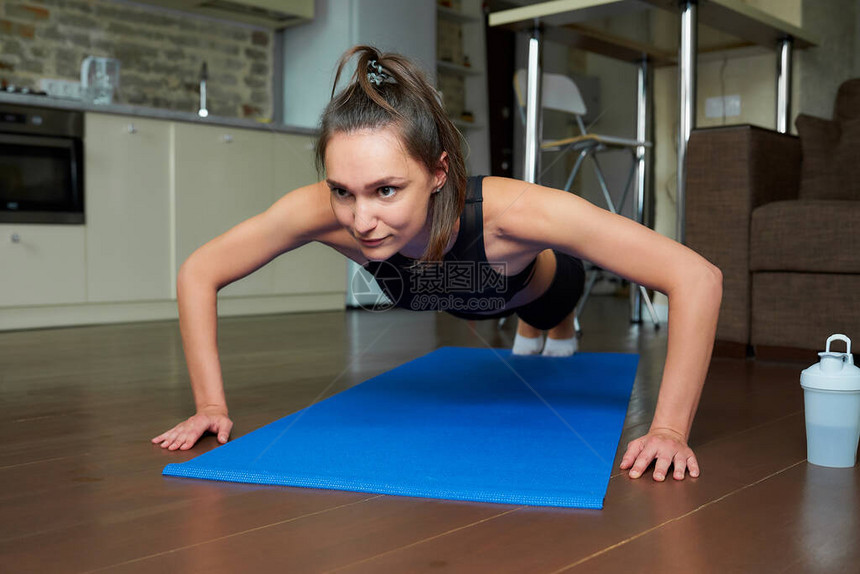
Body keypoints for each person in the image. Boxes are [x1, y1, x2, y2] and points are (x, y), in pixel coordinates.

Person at [152, 46, 722, 483]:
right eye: (343, 191)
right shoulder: (319, 213)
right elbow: (200, 270)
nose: (361, 219)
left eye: (386, 190)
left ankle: (551, 323)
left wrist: (668, 429)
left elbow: (696, 276)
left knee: (546, 298)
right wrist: (209, 405)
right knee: (471, 288)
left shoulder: (511, 211)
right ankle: (536, 326)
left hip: (537, 284)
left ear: (440, 172)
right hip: (461, 290)